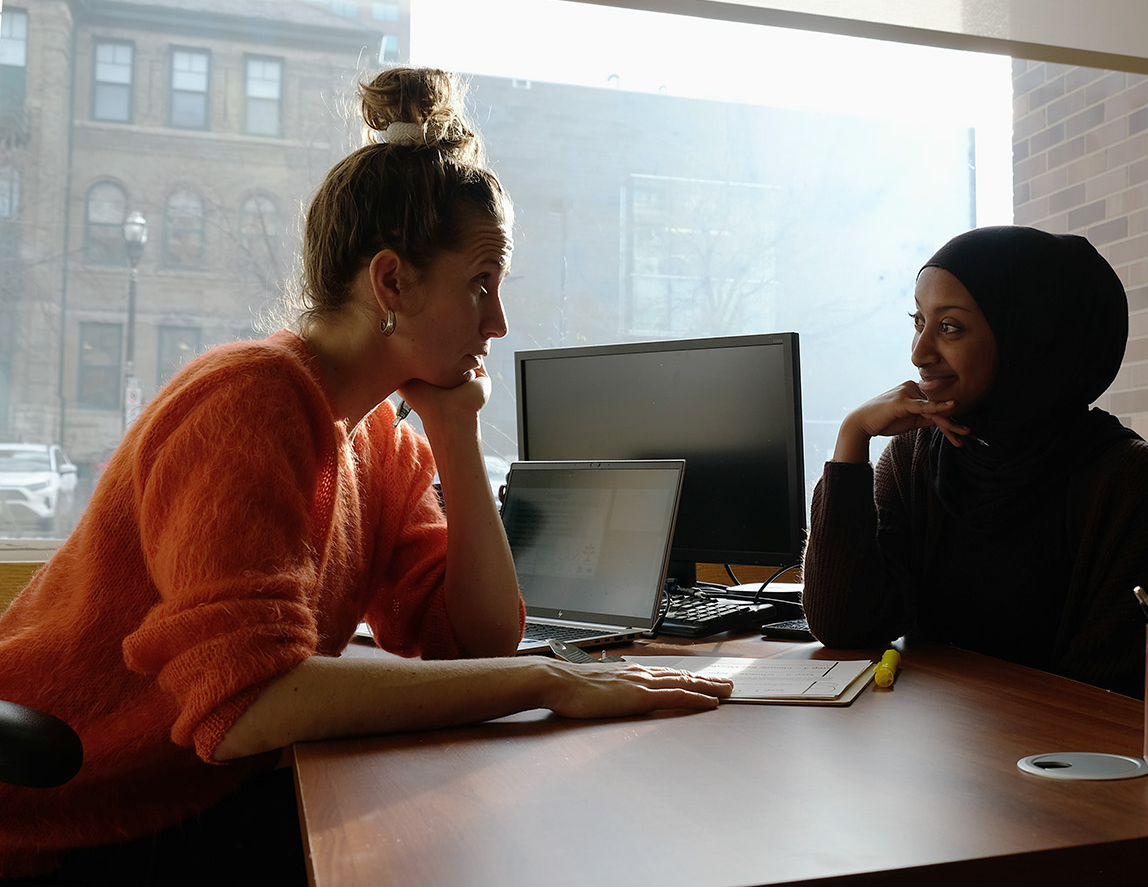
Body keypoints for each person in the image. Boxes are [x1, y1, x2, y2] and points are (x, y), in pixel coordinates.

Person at [0, 67, 731, 884]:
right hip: (57, 819)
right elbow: (243, 708)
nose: (499, 321)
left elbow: (474, 640)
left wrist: (456, 429)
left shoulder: (380, 440)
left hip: (175, 795)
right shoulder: (247, 402)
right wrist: (544, 678)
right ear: (391, 281)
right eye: (481, 283)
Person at [800, 225, 1148, 697]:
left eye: (948, 327)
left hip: (1059, 761)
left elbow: (1104, 695)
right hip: (938, 749)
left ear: (1029, 336)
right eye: (918, 321)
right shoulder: (917, 455)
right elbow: (844, 626)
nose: (918, 353)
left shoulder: (1131, 480)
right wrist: (852, 437)